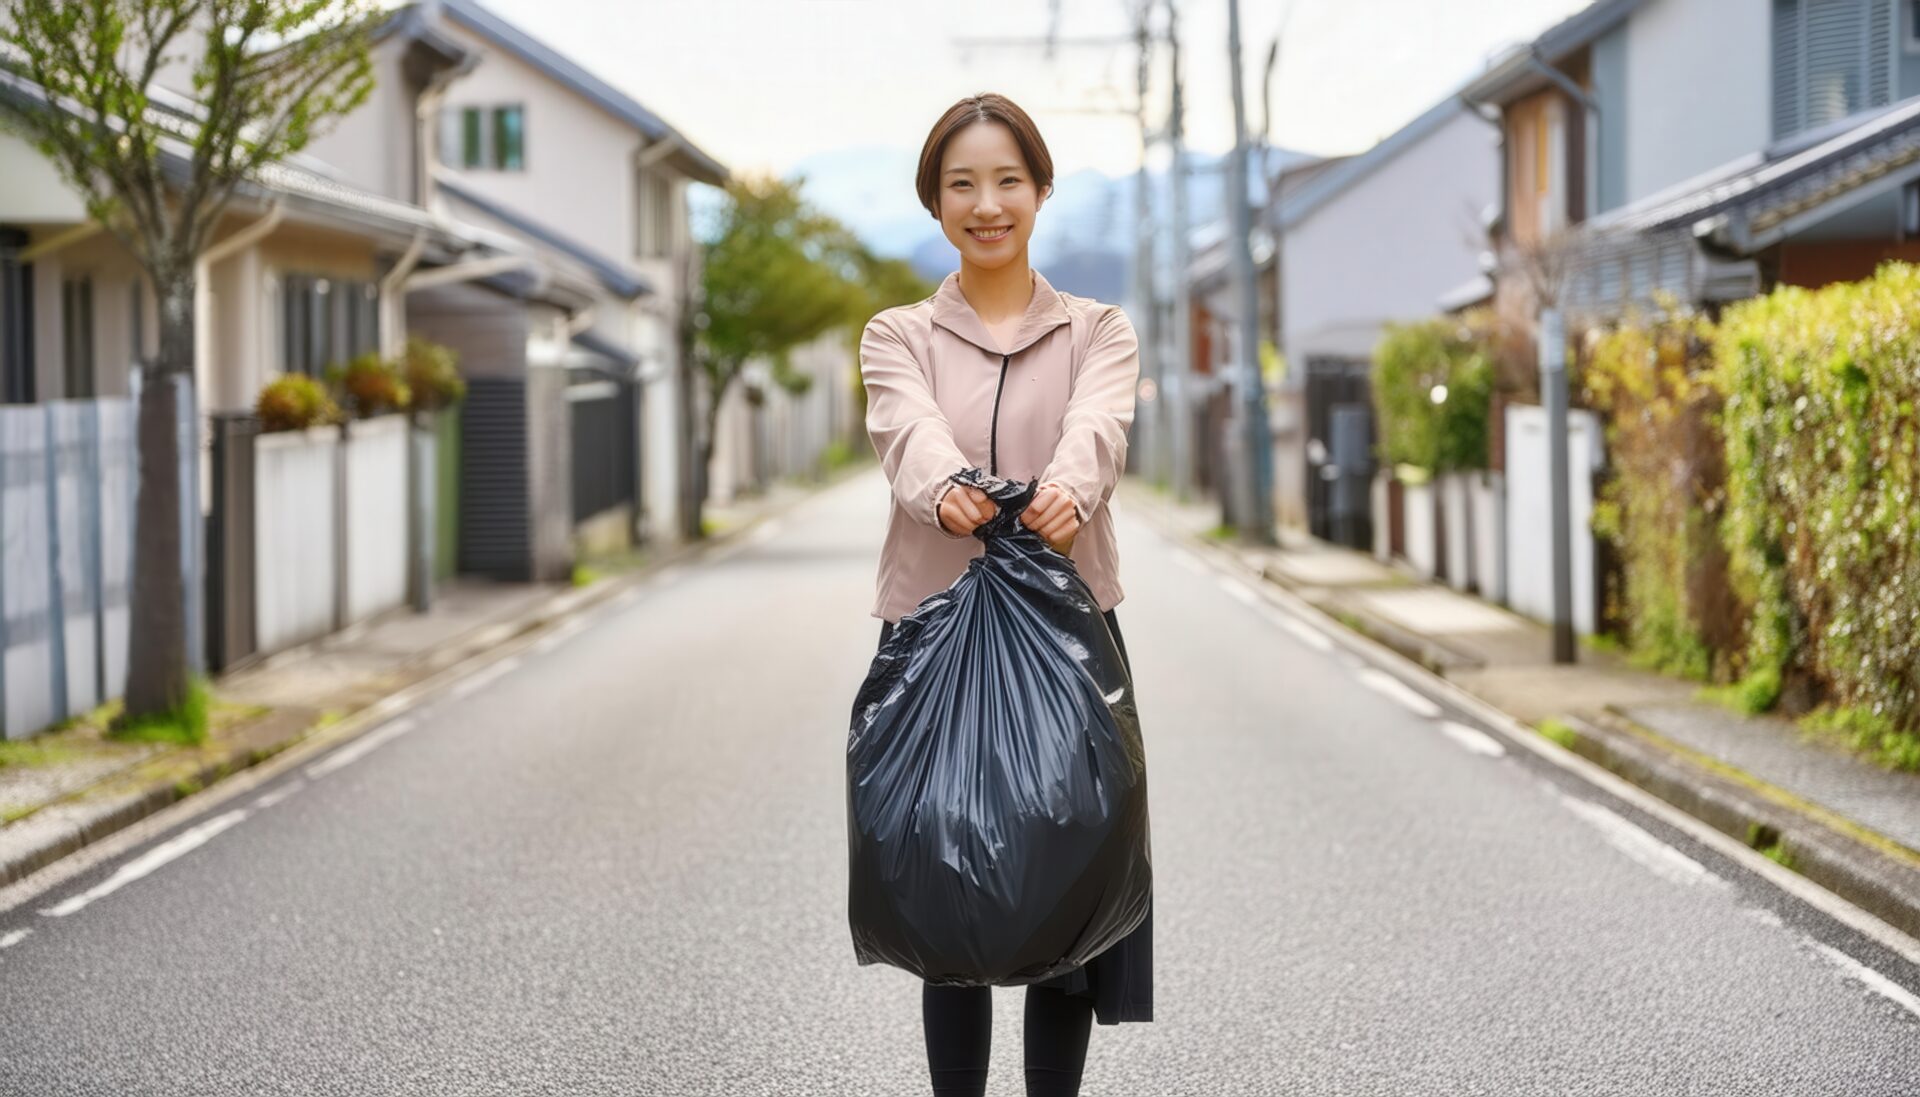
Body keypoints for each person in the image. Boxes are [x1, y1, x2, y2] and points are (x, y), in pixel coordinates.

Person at [857, 91, 1152, 1097]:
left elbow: (1098, 426)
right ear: (936, 203)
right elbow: (906, 430)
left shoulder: (1096, 329)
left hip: (1067, 638)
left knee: (1063, 894)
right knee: (949, 899)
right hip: (932, 643)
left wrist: (1071, 488)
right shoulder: (896, 334)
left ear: (1041, 190)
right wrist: (944, 493)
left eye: (1008, 180)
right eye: (962, 184)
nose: (988, 203)